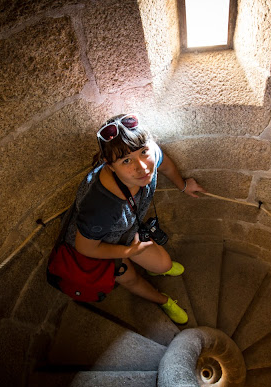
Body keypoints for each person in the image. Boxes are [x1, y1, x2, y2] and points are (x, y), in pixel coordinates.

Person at [57, 113, 205, 324]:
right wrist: (129, 252)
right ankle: (164, 301)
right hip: (99, 246)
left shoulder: (149, 153)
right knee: (131, 278)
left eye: (143, 152)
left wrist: (183, 185)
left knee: (162, 265)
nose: (143, 167)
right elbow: (85, 248)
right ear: (109, 165)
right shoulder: (101, 205)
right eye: (126, 160)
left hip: (126, 233)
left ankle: (157, 271)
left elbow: (164, 163)